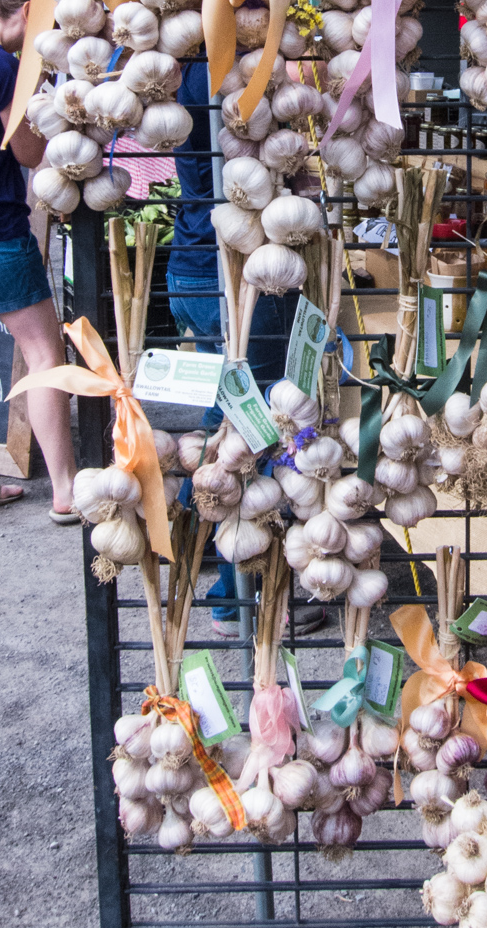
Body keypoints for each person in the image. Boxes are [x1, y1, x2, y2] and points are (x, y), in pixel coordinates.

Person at [168, 56, 323, 635]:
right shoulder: (235, 75)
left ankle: (188, 540)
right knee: (253, 429)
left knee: (223, 416)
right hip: (239, 284)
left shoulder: (185, 67)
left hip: (190, 270)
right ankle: (234, 597)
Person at [0, 0, 77, 520]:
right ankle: (66, 490)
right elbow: (27, 154)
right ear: (23, 13)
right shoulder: (1, 67)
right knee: (45, 357)